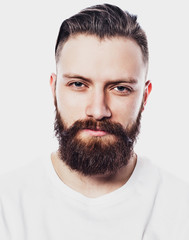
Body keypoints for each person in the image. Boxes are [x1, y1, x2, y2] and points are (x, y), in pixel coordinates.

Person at [0, 3, 189, 240]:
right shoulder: (7, 207)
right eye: (78, 84)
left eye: (120, 88)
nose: (98, 110)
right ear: (54, 89)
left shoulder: (181, 211)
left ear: (145, 96)